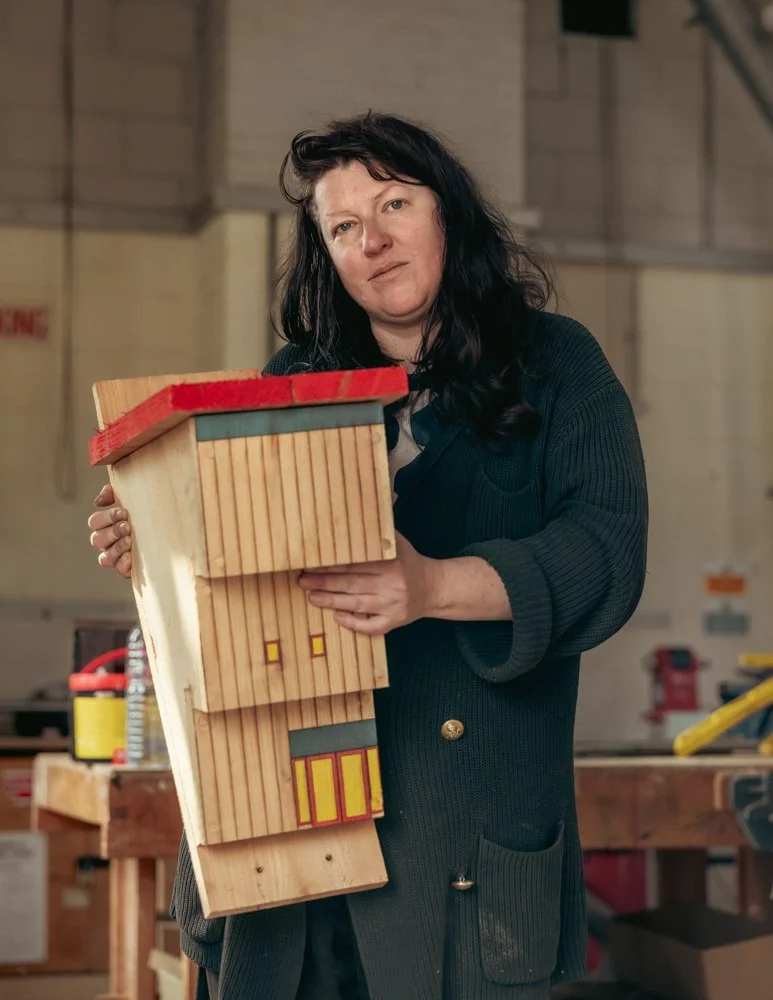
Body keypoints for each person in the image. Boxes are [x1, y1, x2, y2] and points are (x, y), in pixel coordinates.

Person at [88, 112, 648, 1000]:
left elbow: (605, 554)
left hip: (459, 842)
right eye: (344, 226)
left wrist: (430, 586)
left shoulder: (555, 364)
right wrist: (156, 546)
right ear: (326, 254)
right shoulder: (288, 382)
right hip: (283, 831)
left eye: (394, 203)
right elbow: (238, 579)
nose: (373, 240)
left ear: (449, 214)